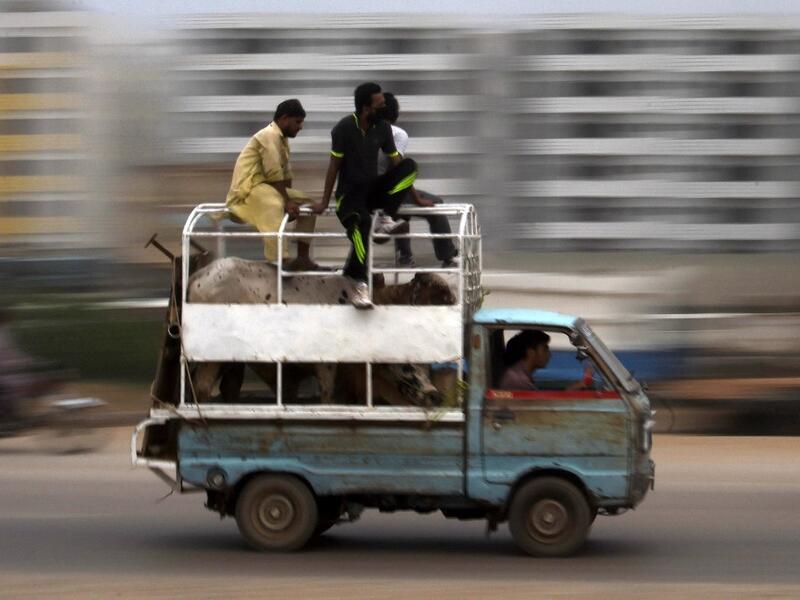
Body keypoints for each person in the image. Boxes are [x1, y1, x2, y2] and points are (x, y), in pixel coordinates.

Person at [320, 82, 420, 309]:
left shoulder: (382, 128)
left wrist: (414, 195)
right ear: (366, 108)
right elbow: (333, 166)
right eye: (380, 105)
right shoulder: (343, 128)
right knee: (361, 228)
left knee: (410, 167)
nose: (385, 108)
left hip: (371, 194)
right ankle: (359, 281)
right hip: (349, 198)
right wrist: (325, 201)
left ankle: (385, 218)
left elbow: (397, 163)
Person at [225, 99, 325, 271]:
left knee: (307, 204)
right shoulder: (268, 135)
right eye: (297, 122)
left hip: (268, 186)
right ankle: (279, 259)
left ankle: (302, 257)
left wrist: (291, 198)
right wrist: (286, 201)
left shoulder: (282, 140)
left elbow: (286, 174)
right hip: (249, 187)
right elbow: (273, 173)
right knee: (273, 205)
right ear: (284, 118)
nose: (300, 127)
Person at [380, 93, 459, 268]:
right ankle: (447, 255)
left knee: (402, 208)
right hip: (387, 195)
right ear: (395, 114)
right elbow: (397, 170)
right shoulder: (397, 134)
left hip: (370, 196)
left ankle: (404, 256)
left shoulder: (363, 131)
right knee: (435, 204)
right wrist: (418, 199)